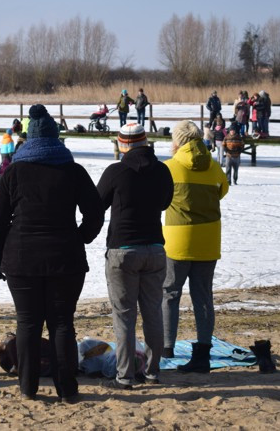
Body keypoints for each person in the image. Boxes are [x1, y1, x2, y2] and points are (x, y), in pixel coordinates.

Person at [0, 104, 104, 402]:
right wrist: (79, 238)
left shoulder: (13, 172)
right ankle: (67, 389)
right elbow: (95, 213)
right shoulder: (73, 171)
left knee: (27, 323)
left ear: (27, 139)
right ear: (56, 138)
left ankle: (28, 387)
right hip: (65, 258)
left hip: (22, 258)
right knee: (62, 323)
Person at [96, 124, 173, 389]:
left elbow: (97, 202)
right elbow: (165, 203)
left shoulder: (116, 171)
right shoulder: (162, 170)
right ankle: (152, 372)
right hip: (154, 249)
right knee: (153, 312)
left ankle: (125, 375)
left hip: (123, 250)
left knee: (124, 315)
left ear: (122, 145)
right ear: (145, 142)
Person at [161, 120, 228, 373]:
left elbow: (160, 198)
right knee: (203, 296)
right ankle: (202, 352)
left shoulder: (169, 167)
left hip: (177, 241)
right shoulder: (213, 166)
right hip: (208, 240)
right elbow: (222, 190)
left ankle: (167, 346)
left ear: (177, 142)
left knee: (170, 293)